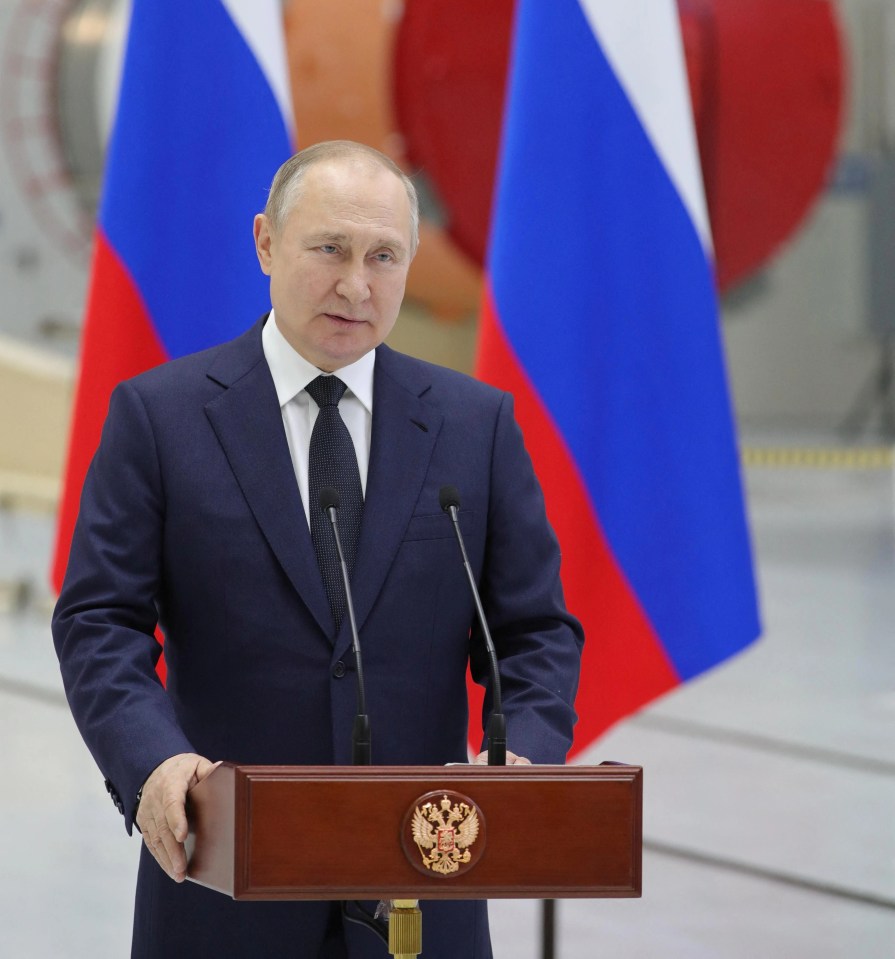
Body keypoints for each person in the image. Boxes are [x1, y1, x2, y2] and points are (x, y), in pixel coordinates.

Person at [53, 140, 583, 958]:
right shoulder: (160, 418)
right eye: (329, 249)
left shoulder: (475, 427)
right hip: (221, 880)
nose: (355, 284)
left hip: (422, 883)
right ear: (265, 241)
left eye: (383, 257)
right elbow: (98, 619)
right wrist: (152, 761)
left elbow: (534, 629)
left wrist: (524, 753)